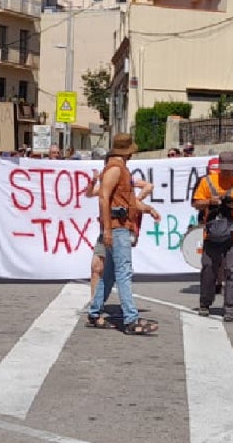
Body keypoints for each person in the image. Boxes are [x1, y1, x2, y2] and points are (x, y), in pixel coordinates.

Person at [86, 134, 162, 335]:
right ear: (128, 151)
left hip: (118, 226)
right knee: (124, 272)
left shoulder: (120, 170)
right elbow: (103, 198)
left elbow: (127, 201)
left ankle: (94, 313)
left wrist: (148, 209)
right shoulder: (115, 169)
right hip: (117, 227)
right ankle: (130, 319)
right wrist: (109, 229)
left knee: (110, 275)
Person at [192, 150, 233, 322]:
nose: (227, 171)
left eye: (230, 168)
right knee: (208, 269)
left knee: (232, 272)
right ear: (219, 166)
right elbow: (196, 203)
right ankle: (205, 302)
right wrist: (210, 202)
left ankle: (230, 308)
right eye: (224, 168)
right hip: (211, 234)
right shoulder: (207, 182)